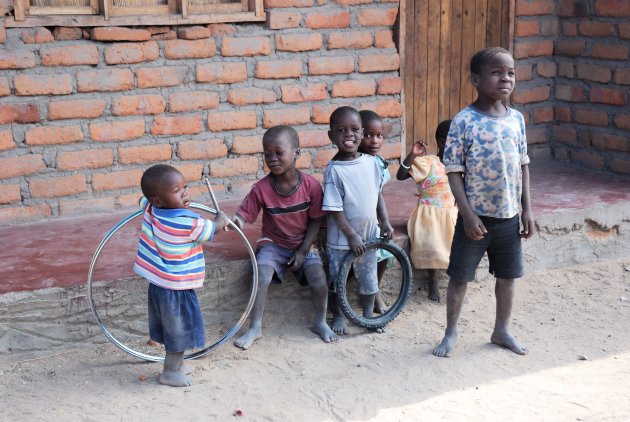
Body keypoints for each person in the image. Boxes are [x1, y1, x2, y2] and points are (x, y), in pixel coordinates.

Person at [432, 47, 534, 358]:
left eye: (511, 72)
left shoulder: (516, 119)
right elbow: (453, 171)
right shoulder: (464, 121)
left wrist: (527, 208)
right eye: (497, 72)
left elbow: (523, 164)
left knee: (507, 277)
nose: (506, 78)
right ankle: (450, 333)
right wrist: (467, 214)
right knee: (460, 277)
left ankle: (501, 330)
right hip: (474, 220)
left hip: (508, 217)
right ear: (475, 79)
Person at [232, 125, 337, 350]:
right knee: (261, 275)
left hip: (303, 242)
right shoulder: (261, 188)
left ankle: (320, 321)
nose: (272, 159)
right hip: (274, 242)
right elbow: (244, 214)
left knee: (319, 278)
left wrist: (302, 250)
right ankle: (255, 327)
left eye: (279, 153)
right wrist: (235, 222)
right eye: (267, 154)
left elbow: (316, 220)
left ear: (297, 153)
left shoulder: (310, 185)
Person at [133, 164, 230, 386]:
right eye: (177, 191)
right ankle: (169, 372)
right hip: (177, 289)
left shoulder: (150, 209)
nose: (185, 193)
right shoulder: (186, 223)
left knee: (172, 327)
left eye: (185, 187)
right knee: (181, 330)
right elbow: (210, 228)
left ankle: (177, 366)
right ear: (158, 200)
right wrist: (221, 221)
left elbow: (142, 199)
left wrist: (161, 196)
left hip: (158, 286)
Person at [323, 106, 394, 335]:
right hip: (342, 240)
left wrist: (385, 221)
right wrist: (351, 235)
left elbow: (378, 195)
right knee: (338, 280)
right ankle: (339, 316)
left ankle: (367, 316)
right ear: (331, 136)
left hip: (368, 235)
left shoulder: (371, 163)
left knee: (369, 279)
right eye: (341, 130)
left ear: (362, 133)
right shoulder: (334, 170)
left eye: (354, 129)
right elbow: (334, 210)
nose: (349, 134)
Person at [397, 120, 457, 302]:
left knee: (457, 243)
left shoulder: (461, 164)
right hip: (429, 215)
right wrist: (412, 156)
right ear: (441, 141)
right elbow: (400, 176)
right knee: (432, 241)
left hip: (451, 213)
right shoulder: (429, 162)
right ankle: (433, 278)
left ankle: (455, 278)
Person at [358, 110, 394, 314]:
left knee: (385, 252)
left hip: (374, 220)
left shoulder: (377, 162)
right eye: (368, 135)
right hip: (357, 221)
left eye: (379, 136)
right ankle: (371, 295)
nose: (374, 141)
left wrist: (385, 221)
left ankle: (376, 291)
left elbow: (378, 194)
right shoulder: (355, 162)